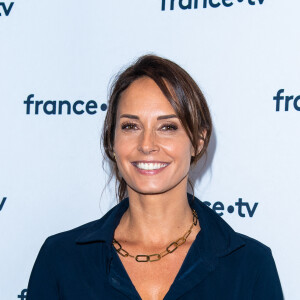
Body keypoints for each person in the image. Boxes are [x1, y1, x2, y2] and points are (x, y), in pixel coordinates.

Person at [26, 55, 284, 300]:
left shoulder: (250, 265)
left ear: (198, 140)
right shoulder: (61, 259)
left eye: (168, 127)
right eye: (130, 126)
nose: (147, 144)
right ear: (112, 141)